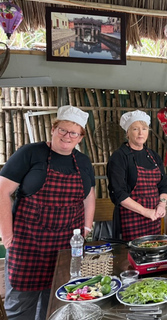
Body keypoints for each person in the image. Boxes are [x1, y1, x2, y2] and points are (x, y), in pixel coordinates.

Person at [0, 105, 95, 320]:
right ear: (53, 128)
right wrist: (7, 237)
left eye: (74, 133)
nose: (67, 136)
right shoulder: (30, 153)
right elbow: (2, 192)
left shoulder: (83, 162)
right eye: (63, 130)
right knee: (20, 309)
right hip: (28, 245)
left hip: (65, 247)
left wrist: (87, 227)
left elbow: (89, 196)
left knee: (56, 305)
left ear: (80, 137)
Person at [107, 110, 167, 241]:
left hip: (153, 219)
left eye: (144, 128)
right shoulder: (119, 157)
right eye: (135, 129)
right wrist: (145, 211)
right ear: (127, 133)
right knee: (129, 257)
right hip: (129, 220)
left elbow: (163, 185)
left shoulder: (153, 156)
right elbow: (119, 193)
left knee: (152, 249)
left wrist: (161, 205)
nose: (141, 133)